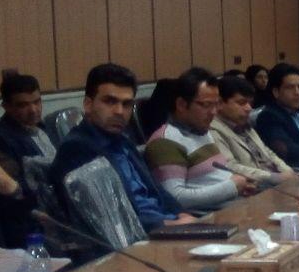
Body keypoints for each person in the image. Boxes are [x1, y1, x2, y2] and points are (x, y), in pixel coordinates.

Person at [51, 63, 194, 232]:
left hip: (167, 226)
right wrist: (167, 225)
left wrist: (182, 214)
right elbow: (108, 217)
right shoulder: (77, 148)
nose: (119, 111)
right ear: (88, 104)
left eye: (126, 104)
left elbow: (156, 190)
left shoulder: (123, 141)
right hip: (139, 236)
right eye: (110, 101)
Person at [145, 67, 255, 212]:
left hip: (235, 207)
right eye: (206, 105)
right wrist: (231, 187)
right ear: (181, 105)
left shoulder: (202, 130)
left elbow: (212, 179)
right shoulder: (165, 142)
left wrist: (239, 185)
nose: (214, 112)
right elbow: (175, 199)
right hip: (209, 219)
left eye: (216, 104)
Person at [209, 74, 293, 184]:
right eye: (241, 103)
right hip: (255, 187)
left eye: (250, 103)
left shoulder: (244, 125)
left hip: (275, 182)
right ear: (220, 103)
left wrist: (288, 172)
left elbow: (268, 153)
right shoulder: (212, 130)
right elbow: (230, 166)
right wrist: (274, 177)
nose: (249, 108)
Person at [0, 73, 55, 181]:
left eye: (36, 102)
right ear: (6, 107)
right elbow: (17, 179)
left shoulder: (44, 126)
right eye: (23, 105)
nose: (33, 110)